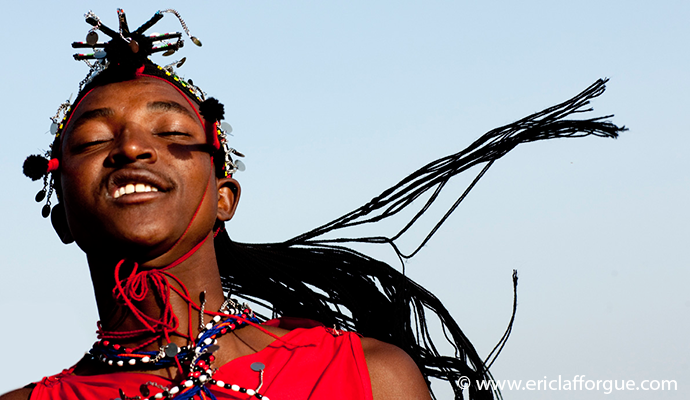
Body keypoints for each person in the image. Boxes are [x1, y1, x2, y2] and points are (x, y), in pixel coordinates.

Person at [3, 8, 625, 400]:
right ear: (60, 210)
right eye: (93, 141)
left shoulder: (367, 377)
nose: (134, 148)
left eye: (170, 135)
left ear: (225, 197)